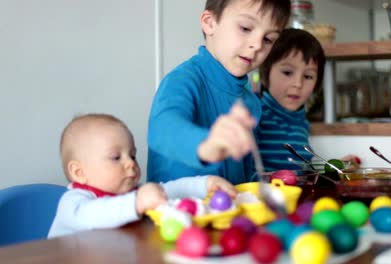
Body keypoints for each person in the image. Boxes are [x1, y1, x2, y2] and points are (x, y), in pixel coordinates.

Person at [147, 0, 291, 185]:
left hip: (228, 210)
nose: (257, 45)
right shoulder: (183, 80)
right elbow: (162, 130)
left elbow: (243, 173)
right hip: (175, 209)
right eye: (246, 28)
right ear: (209, 22)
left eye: (268, 39)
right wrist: (207, 145)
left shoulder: (251, 103)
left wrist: (266, 180)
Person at [48, 114, 236, 238]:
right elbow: (92, 216)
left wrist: (204, 184)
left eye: (132, 155)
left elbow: (169, 190)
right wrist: (136, 203)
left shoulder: (130, 193)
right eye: (115, 157)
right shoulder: (73, 204)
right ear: (79, 173)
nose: (130, 163)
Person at [257, 28, 361, 172]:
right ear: (264, 74)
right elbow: (245, 175)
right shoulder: (256, 116)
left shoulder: (301, 123)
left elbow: (301, 171)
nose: (298, 84)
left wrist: (334, 168)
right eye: (287, 72)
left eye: (308, 76)